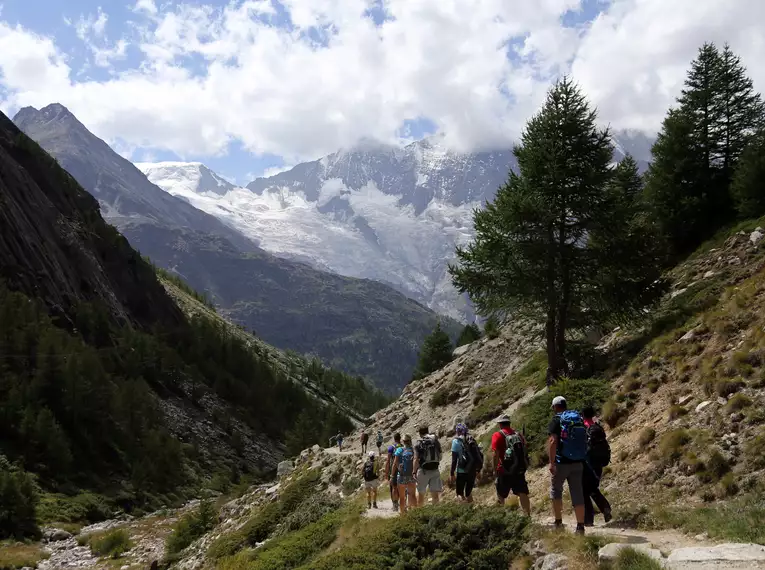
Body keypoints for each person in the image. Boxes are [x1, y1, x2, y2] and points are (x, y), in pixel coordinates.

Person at [548, 396, 587, 534]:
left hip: (562, 463)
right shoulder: (576, 418)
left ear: (555, 407)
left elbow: (553, 442)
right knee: (577, 492)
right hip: (578, 462)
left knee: (556, 490)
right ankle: (580, 526)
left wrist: (552, 463)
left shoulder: (556, 420)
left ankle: (558, 523)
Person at [490, 414, 531, 516]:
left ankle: (502, 517)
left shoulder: (497, 435)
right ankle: (527, 516)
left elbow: (496, 454)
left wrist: (495, 469)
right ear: (509, 423)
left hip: (504, 469)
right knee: (522, 492)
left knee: (501, 493)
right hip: (518, 468)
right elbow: (525, 447)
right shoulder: (518, 434)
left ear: (500, 424)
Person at [581, 406, 612, 526]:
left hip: (589, 463)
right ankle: (605, 509)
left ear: (583, 415)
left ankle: (588, 520)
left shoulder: (584, 427)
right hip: (600, 461)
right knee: (592, 488)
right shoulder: (597, 426)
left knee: (585, 490)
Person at [450, 423, 482, 503]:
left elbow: (454, 460)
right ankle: (471, 511)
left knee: (460, 494)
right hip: (472, 470)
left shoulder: (455, 441)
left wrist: (452, 473)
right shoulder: (471, 439)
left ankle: (464, 512)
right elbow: (477, 455)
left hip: (461, 471)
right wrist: (478, 470)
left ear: (457, 431)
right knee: (469, 493)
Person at [414, 425, 443, 506]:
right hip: (435, 469)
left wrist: (413, 472)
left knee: (421, 494)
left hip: (423, 471)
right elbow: (440, 457)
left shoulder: (419, 442)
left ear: (420, 433)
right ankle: (436, 514)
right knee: (435, 496)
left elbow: (416, 459)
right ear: (427, 431)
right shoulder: (435, 441)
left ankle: (420, 515)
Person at [391, 434, 417, 516]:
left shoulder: (399, 450)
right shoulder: (413, 450)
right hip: (411, 475)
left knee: (402, 498)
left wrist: (392, 476)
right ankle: (415, 513)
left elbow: (395, 463)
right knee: (412, 495)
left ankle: (402, 515)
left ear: (403, 441)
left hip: (401, 476)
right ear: (410, 441)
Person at [386, 433, 403, 511]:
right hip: (402, 469)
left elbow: (388, 461)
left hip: (393, 470)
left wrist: (387, 473)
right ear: (400, 438)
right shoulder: (403, 447)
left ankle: (395, 505)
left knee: (394, 487)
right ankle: (401, 503)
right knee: (401, 486)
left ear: (394, 438)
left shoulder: (391, 448)